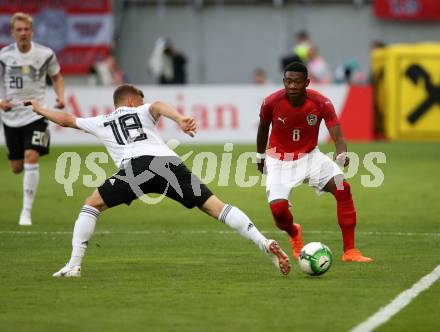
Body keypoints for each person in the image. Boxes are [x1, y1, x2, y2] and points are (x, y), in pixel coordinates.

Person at [24, 83, 291, 277]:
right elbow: (159, 106)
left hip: (138, 167)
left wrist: (40, 109)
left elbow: (68, 119)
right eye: (140, 100)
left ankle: (73, 265)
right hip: (168, 163)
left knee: (92, 205)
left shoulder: (102, 121)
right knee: (216, 207)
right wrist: (179, 118)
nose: (143, 104)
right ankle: (263, 242)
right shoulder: (141, 111)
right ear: (130, 101)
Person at [256, 62, 373, 263]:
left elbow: (336, 132)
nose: (292, 86)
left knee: (342, 188)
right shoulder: (271, 102)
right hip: (279, 161)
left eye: (297, 82)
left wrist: (342, 153)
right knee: (279, 212)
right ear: (284, 81)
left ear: (307, 82)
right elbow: (262, 128)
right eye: (288, 81)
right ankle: (294, 233)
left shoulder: (321, 103)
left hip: (311, 158)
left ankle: (350, 252)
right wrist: (260, 156)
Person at [0, 12, 65, 226]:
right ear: (12, 32)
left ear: (32, 31)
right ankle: (20, 156)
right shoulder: (4, 56)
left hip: (37, 113)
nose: (23, 33)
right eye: (19, 30)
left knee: (31, 156)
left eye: (26, 29)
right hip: (11, 117)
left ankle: (26, 212)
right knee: (16, 167)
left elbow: (56, 76)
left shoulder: (45, 54)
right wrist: (1, 100)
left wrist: (60, 97)